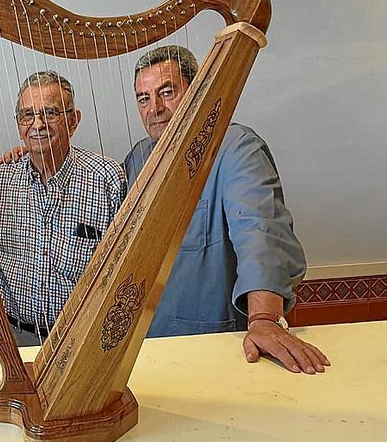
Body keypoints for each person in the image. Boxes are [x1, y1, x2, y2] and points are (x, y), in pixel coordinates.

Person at [125, 45, 329, 374]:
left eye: (167, 92)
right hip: (145, 346)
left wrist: (263, 318)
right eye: (143, 98)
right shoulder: (138, 157)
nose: (155, 109)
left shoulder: (237, 146)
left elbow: (260, 230)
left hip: (215, 342)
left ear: (196, 92)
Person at [0, 71, 126, 346]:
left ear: (73, 121)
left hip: (85, 340)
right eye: (28, 115)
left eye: (50, 113)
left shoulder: (108, 178)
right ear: (18, 125)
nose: (37, 124)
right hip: (13, 339)